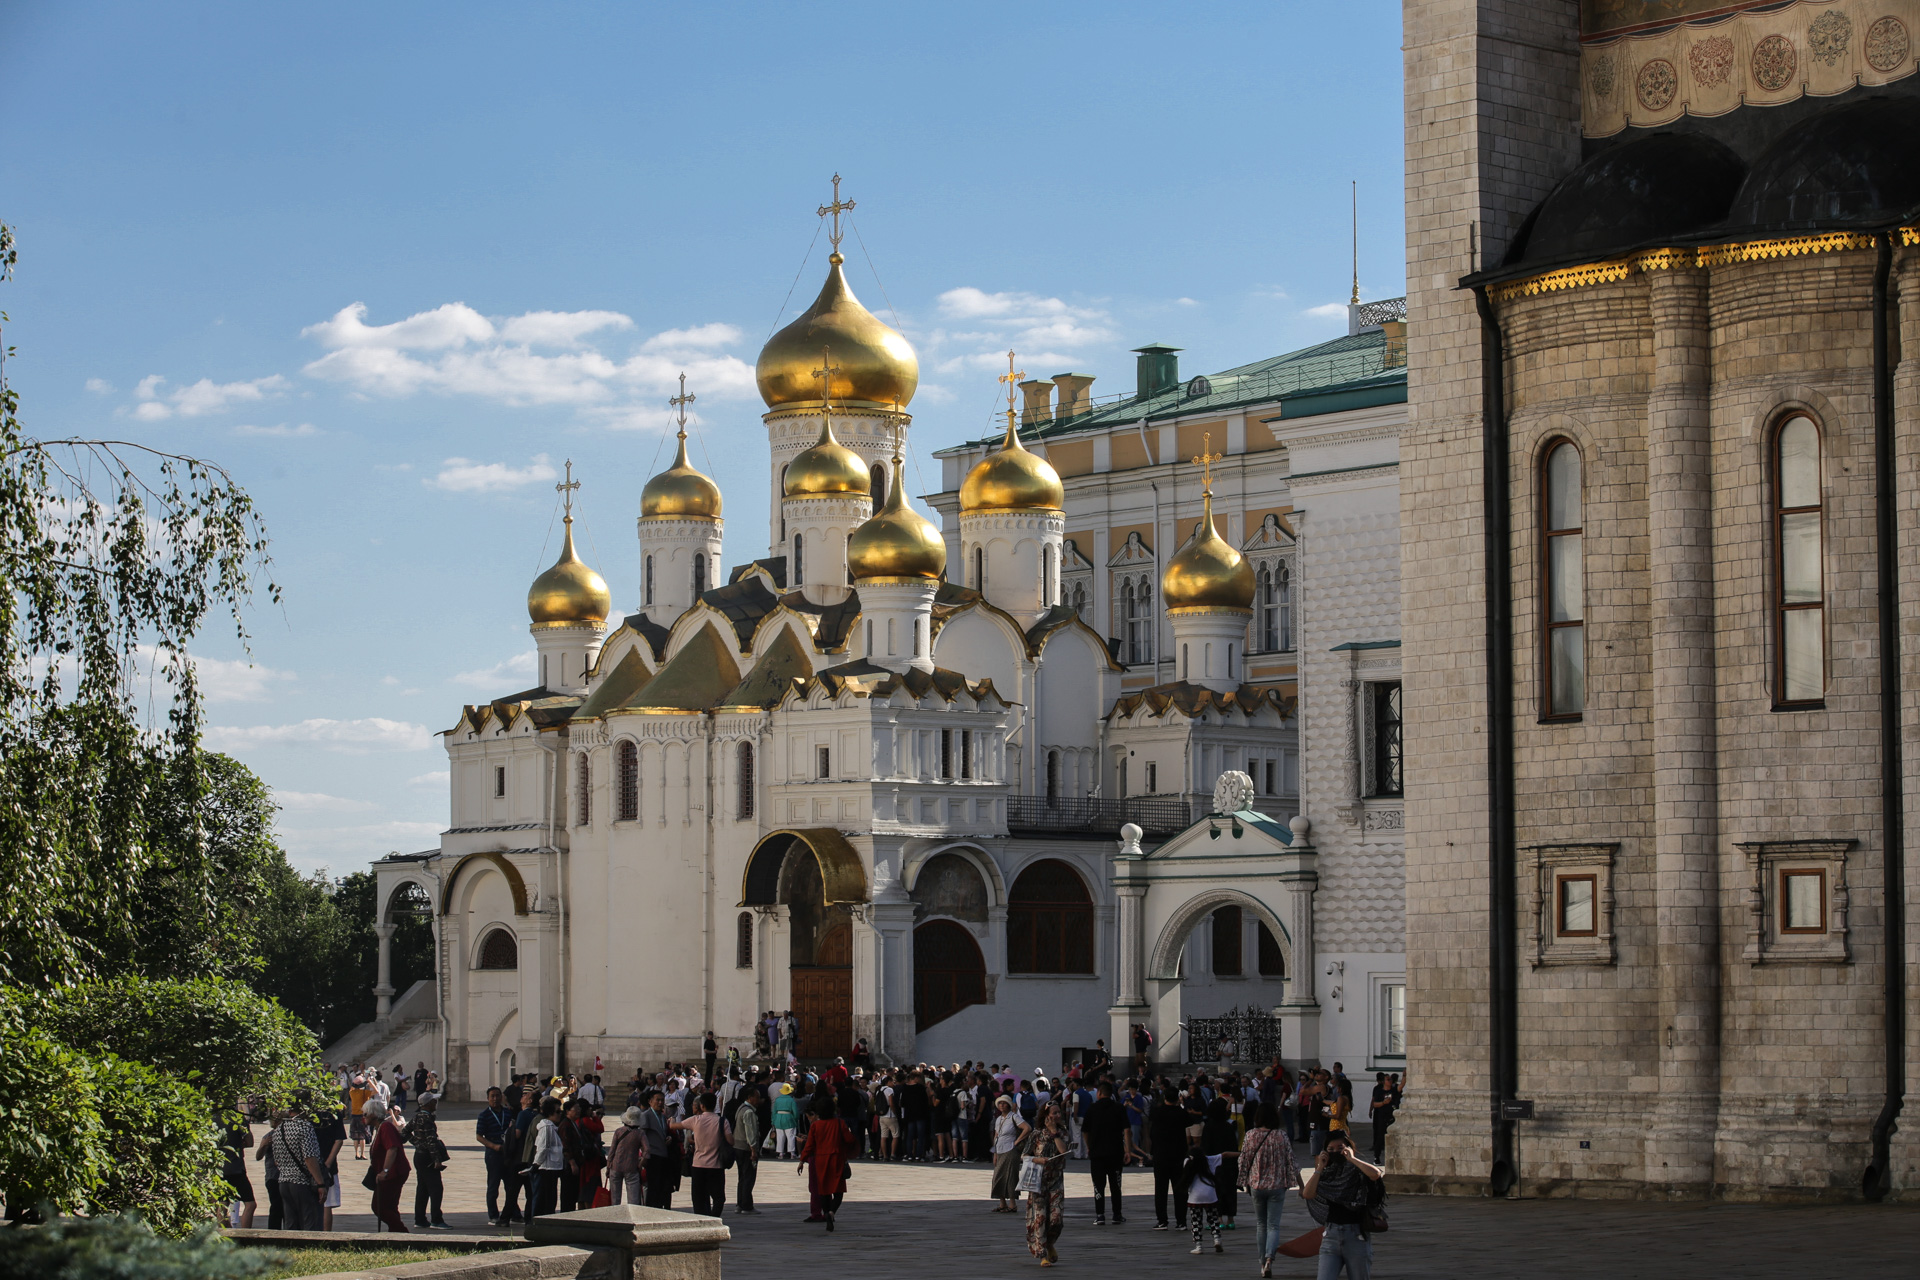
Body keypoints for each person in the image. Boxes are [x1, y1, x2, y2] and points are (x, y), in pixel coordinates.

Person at [1301, 1133, 1383, 1279]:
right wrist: (1320, 1167)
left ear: (1348, 1148)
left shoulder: (1358, 1171)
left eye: (1340, 1148)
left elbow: (1375, 1174)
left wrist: (1352, 1159)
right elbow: (1308, 1194)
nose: (1335, 1152)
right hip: (1331, 1235)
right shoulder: (1327, 1175)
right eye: (1330, 1149)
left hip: (1356, 1236)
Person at [1239, 1103, 1301, 1279]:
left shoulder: (1250, 1135)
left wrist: (1244, 1181)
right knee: (1273, 1225)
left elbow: (1243, 1160)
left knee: (1261, 1224)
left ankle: (1261, 1262)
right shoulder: (1281, 1136)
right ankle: (1269, 1259)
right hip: (1277, 1186)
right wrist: (1301, 1185)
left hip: (1257, 1186)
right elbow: (1292, 1161)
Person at [1018, 1101, 1072, 1267]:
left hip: (1056, 1180)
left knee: (1056, 1218)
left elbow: (1063, 1152)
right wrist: (1038, 1159)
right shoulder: (1036, 1134)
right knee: (1040, 1217)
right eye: (1053, 1113)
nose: (1056, 1116)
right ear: (1046, 1115)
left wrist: (1054, 1132)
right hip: (1038, 1181)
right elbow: (1024, 1155)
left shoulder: (1062, 1133)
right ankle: (1043, 1255)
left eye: (1058, 1113)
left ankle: (1050, 1243)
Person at [794, 1093, 853, 1230]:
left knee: (823, 1190)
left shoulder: (816, 1126)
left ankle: (826, 1212)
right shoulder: (839, 1123)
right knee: (838, 1191)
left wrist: (802, 1160)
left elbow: (809, 1145)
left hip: (821, 1160)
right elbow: (849, 1139)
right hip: (837, 1159)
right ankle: (832, 1212)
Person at [1081, 1079, 1134, 1225]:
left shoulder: (1092, 1109)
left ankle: (1100, 1214)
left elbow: (1085, 1131)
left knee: (1098, 1185)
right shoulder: (1119, 1108)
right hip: (1115, 1152)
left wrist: (1089, 1145)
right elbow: (1127, 1129)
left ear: (1099, 1093)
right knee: (1116, 1185)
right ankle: (1117, 1214)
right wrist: (1127, 1150)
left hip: (1097, 1153)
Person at [271, 1103, 330, 1232]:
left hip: (284, 1182)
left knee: (291, 1225)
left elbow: (276, 1161)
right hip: (303, 1183)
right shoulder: (304, 1127)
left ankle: (292, 1249)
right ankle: (310, 1249)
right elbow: (309, 1158)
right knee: (311, 1223)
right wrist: (320, 1183)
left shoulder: (279, 1128)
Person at [670, 1093, 731, 1217]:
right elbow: (731, 1141)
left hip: (698, 1164)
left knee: (698, 1197)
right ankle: (714, 1217)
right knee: (718, 1197)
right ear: (714, 1106)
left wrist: (671, 1118)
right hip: (716, 1165)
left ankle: (702, 1219)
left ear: (701, 1106)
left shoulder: (695, 1120)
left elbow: (674, 1126)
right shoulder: (722, 1121)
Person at [364, 1098, 411, 1233]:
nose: (364, 1117)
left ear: (373, 1114)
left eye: (366, 1114)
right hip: (392, 1172)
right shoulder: (380, 1128)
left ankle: (401, 1231)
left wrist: (385, 1171)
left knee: (379, 1206)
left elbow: (393, 1148)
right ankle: (395, 1233)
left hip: (394, 1173)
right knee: (390, 1206)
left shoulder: (386, 1127)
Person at [1148, 1086, 1190, 1231]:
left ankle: (1162, 1220)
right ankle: (1181, 1221)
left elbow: (1151, 1132)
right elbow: (1190, 1121)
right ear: (1177, 1098)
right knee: (1180, 1189)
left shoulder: (1156, 1112)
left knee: (1160, 1189)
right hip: (1178, 1154)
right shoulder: (1181, 1113)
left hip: (1161, 1154)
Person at [409, 1093, 450, 1229]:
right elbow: (431, 1141)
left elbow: (404, 1132)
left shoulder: (416, 1117)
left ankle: (419, 1219)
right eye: (433, 1101)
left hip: (418, 1156)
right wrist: (437, 1160)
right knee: (436, 1188)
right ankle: (436, 1220)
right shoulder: (427, 1118)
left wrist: (417, 1143)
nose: (435, 1103)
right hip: (428, 1157)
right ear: (428, 1103)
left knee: (422, 1188)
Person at [477, 1087, 517, 1226]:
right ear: (488, 1098)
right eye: (492, 1096)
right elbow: (479, 1136)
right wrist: (493, 1146)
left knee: (511, 1185)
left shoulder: (507, 1112)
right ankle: (493, 1215)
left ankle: (514, 1213)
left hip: (508, 1152)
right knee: (493, 1185)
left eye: (497, 1096)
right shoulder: (484, 1115)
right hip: (493, 1153)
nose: (495, 1099)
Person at [1201, 1095, 1241, 1230]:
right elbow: (1234, 1146)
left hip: (1213, 1164)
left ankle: (1218, 1218)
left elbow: (1205, 1147)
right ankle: (1230, 1219)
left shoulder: (1208, 1127)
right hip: (1229, 1163)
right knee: (1230, 1191)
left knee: (1216, 1191)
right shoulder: (1228, 1126)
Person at [639, 1090, 678, 1210]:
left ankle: (660, 1206)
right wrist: (645, 1154)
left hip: (663, 1154)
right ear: (650, 1101)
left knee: (662, 1185)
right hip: (653, 1154)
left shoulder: (662, 1116)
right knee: (653, 1186)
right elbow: (642, 1135)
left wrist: (668, 1138)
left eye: (662, 1100)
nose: (660, 1103)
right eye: (658, 1100)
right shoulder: (646, 1115)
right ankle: (651, 1208)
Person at [529, 1097, 566, 1221]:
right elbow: (543, 1148)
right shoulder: (546, 1128)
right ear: (550, 1113)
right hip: (545, 1169)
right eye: (557, 1111)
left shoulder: (552, 1127)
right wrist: (536, 1164)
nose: (560, 1114)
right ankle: (537, 1224)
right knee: (542, 1200)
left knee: (550, 1200)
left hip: (552, 1168)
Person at [220, 1104, 256, 1228]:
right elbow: (250, 1142)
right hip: (236, 1168)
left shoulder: (211, 1119)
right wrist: (238, 1145)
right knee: (250, 1204)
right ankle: (245, 1236)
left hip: (219, 1169)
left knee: (222, 1204)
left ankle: (225, 1235)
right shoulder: (237, 1118)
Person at [730, 1085, 763, 1213]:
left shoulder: (741, 1108)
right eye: (757, 1097)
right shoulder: (748, 1112)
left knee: (742, 1177)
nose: (759, 1100)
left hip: (738, 1146)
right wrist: (753, 1150)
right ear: (750, 1098)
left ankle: (740, 1203)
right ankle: (746, 1205)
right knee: (748, 1176)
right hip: (745, 1148)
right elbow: (751, 1133)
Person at [607, 1106, 647, 1205]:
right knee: (633, 1200)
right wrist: (641, 1163)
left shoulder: (618, 1131)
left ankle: (616, 1217)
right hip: (632, 1167)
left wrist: (609, 1166)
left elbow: (612, 1151)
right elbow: (647, 1150)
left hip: (616, 1166)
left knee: (615, 1199)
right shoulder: (640, 1133)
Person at [254, 1109, 283, 1230]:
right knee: (276, 1207)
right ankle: (274, 1232)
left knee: (287, 1208)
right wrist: (264, 1144)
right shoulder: (268, 1136)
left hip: (285, 1176)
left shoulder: (286, 1134)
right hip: (272, 1176)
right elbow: (258, 1156)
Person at [1368, 1074, 1396, 1164]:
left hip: (1391, 1116)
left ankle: (1393, 1157)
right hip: (1381, 1117)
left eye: (1391, 1079)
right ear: (1384, 1082)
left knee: (1393, 1137)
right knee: (1380, 1137)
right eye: (1388, 1079)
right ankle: (1377, 1157)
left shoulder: (1394, 1091)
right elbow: (1375, 1103)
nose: (1390, 1081)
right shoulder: (1379, 1091)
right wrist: (1383, 1103)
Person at [772, 1081, 799, 1159]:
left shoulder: (777, 1100)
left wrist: (773, 1121)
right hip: (789, 1118)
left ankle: (781, 1153)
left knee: (780, 1136)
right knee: (791, 1136)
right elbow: (795, 1112)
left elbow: (774, 1111)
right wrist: (795, 1119)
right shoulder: (791, 1100)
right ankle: (792, 1153)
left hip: (778, 1118)